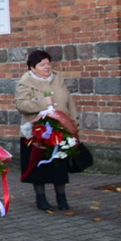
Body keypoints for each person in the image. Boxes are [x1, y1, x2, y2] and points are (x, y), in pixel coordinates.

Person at [15, 49, 79, 211]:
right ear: (32, 67)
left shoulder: (58, 79)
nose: (47, 67)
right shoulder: (26, 82)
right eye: (42, 64)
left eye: (48, 63)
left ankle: (61, 198)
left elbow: (69, 101)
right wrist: (42, 103)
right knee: (39, 168)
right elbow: (21, 105)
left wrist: (73, 121)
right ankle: (41, 197)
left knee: (60, 167)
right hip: (37, 134)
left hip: (60, 131)